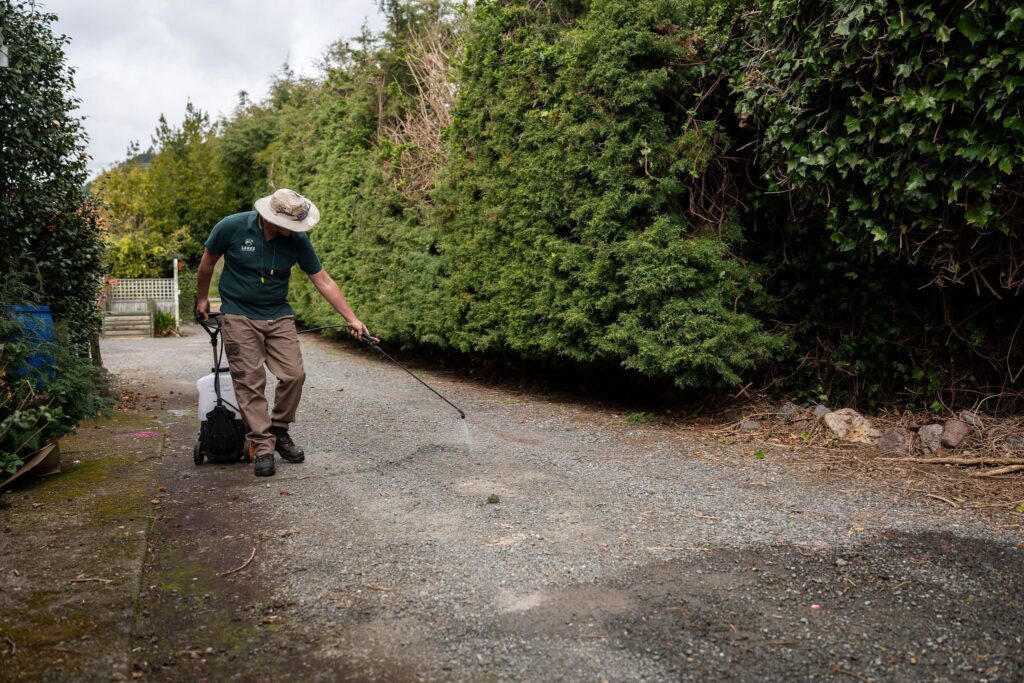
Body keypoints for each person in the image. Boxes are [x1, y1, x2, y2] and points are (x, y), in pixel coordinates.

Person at [196, 188, 372, 477]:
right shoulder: (232, 227)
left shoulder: (298, 241)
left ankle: (278, 429)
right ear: (272, 218)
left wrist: (352, 318)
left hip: (278, 314)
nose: (296, 230)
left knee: (294, 375)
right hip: (238, 314)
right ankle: (262, 446)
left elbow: (323, 280)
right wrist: (203, 298)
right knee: (250, 380)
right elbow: (208, 262)